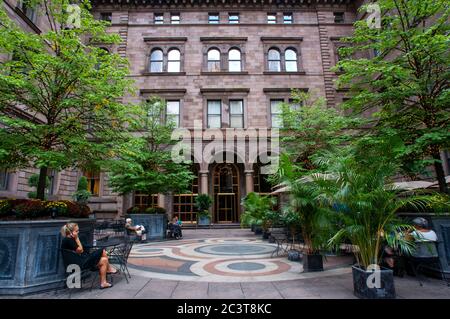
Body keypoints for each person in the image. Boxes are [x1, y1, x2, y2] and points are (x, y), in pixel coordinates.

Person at [60, 223, 116, 289]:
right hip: (78, 264)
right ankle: (108, 269)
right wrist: (77, 238)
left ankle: (103, 283)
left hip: (80, 260)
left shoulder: (69, 239)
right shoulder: (68, 240)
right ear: (70, 232)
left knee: (104, 260)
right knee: (102, 250)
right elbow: (80, 250)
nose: (78, 232)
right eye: (76, 231)